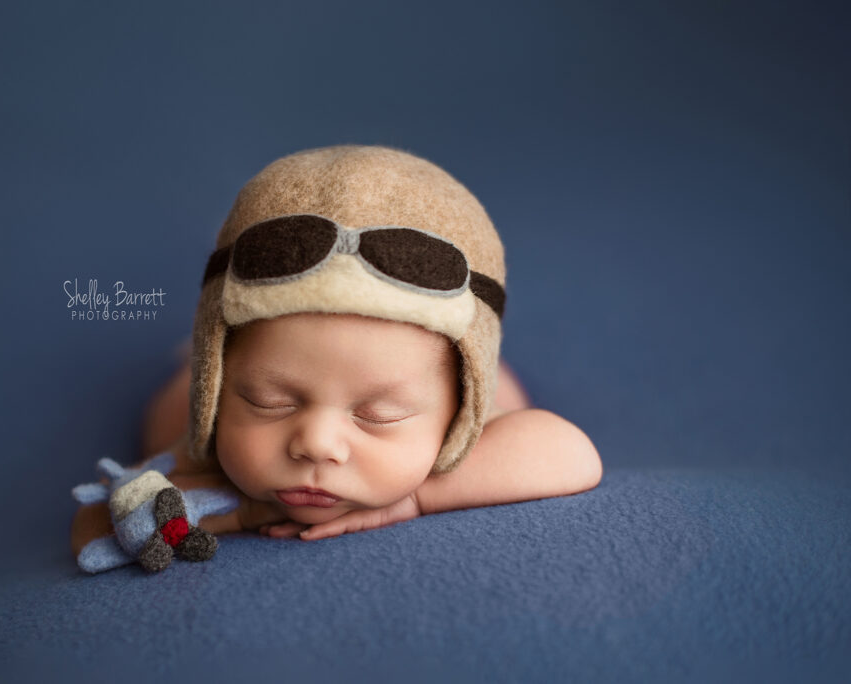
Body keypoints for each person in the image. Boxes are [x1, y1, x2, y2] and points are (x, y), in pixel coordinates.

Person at [71, 144, 602, 553]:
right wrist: (241, 511)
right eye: (268, 402)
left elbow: (572, 453)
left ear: (457, 412)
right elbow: (94, 524)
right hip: (199, 373)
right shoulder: (202, 443)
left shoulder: (467, 417)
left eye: (379, 415)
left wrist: (418, 496)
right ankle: (193, 358)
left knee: (505, 391)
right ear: (221, 384)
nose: (317, 445)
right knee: (171, 404)